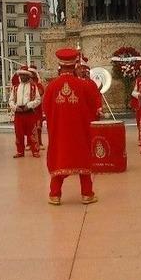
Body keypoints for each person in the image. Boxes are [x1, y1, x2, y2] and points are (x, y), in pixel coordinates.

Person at [43, 47, 99, 205]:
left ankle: (55, 194)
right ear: (75, 65)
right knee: (82, 158)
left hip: (59, 131)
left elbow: (45, 109)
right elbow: (94, 108)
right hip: (80, 131)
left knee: (60, 157)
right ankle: (87, 194)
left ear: (60, 66)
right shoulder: (84, 85)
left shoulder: (52, 87)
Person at [9, 66, 42, 158]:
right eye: (21, 75)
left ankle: (35, 151)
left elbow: (38, 100)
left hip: (29, 112)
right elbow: (10, 100)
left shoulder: (33, 87)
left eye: (24, 75)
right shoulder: (15, 87)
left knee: (32, 132)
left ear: (28, 76)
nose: (22, 77)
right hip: (18, 113)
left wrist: (29, 105)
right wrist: (15, 107)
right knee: (18, 133)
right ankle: (20, 151)